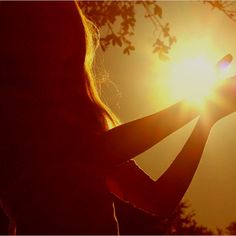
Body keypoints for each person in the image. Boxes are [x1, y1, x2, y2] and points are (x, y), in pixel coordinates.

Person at [0, 1, 236, 234]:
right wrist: (198, 103)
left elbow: (160, 199)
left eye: (57, 33)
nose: (50, 46)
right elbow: (96, 152)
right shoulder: (11, 122)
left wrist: (207, 118)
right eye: (38, 32)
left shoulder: (79, 128)